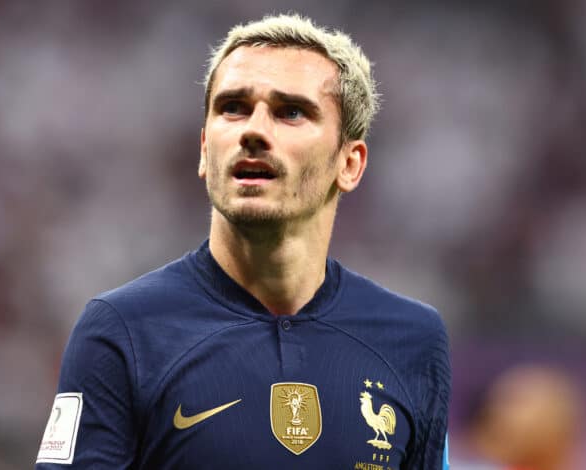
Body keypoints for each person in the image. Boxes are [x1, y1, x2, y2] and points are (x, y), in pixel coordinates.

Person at [36, 13, 450, 469]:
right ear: (204, 150)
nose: (253, 130)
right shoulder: (123, 332)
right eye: (233, 107)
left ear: (349, 164)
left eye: (291, 112)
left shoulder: (412, 339)